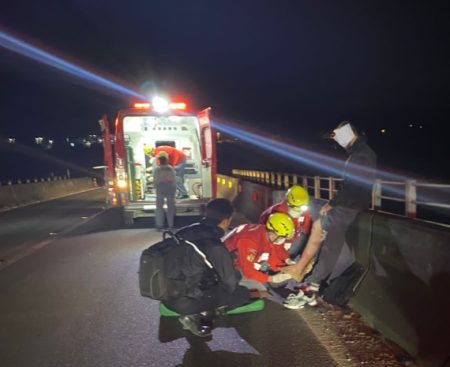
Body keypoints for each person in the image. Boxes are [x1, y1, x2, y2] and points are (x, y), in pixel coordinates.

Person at [283, 121, 377, 309]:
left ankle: (310, 286)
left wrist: (332, 203)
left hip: (349, 206)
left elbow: (352, 186)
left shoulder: (361, 155)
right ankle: (307, 277)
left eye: (337, 136)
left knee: (329, 246)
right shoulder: (360, 153)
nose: (338, 141)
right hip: (351, 204)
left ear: (349, 133)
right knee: (322, 234)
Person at [163, 198, 251, 337]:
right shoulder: (215, 245)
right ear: (224, 221)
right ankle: (199, 316)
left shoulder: (184, 232)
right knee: (242, 294)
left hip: (166, 294)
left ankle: (194, 309)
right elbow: (230, 283)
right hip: (185, 303)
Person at [224, 212, 295, 290]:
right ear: (272, 233)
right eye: (281, 237)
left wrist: (286, 262)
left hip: (239, 260)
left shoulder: (265, 233)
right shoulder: (250, 241)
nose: (282, 240)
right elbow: (248, 271)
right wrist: (271, 279)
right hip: (228, 266)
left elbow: (275, 249)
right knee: (260, 290)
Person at [259, 185, 312, 263]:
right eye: (295, 209)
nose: (299, 212)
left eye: (301, 209)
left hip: (290, 236)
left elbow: (307, 226)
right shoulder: (278, 212)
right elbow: (275, 240)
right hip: (275, 231)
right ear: (288, 203)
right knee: (273, 255)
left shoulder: (303, 211)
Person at [153, 152, 176, 230]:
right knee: (170, 208)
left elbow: (155, 180)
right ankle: (171, 225)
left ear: (159, 160)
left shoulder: (157, 169)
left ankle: (159, 225)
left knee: (159, 207)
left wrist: (156, 187)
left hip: (160, 189)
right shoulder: (170, 168)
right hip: (170, 189)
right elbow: (173, 180)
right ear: (166, 159)